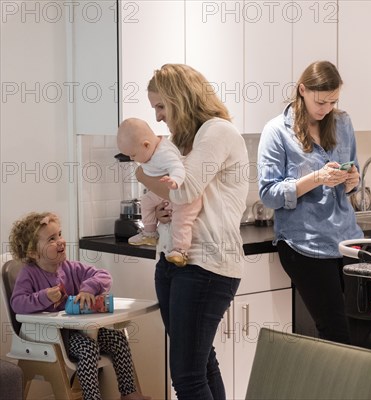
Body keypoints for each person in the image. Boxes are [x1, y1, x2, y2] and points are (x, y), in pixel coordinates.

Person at [135, 64, 249, 400]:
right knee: (200, 367)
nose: (157, 117)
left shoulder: (218, 132)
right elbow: (178, 195)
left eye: (160, 106)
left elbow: (183, 192)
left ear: (180, 99)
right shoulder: (185, 139)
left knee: (186, 377)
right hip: (177, 262)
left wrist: (144, 179)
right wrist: (165, 205)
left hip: (208, 265)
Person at [257, 60, 365, 345]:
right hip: (304, 244)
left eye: (333, 101)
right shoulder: (276, 131)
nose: (327, 108)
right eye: (321, 101)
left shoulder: (343, 123)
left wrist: (352, 180)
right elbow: (268, 193)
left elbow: (354, 179)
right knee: (336, 332)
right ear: (302, 90)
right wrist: (315, 178)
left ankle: (360, 385)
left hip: (347, 240)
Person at [9, 212, 149, 400]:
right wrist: (44, 297)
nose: (60, 241)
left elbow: (104, 276)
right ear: (33, 252)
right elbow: (17, 303)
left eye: (59, 234)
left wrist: (88, 289)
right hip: (51, 337)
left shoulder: (70, 267)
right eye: (52, 239)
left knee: (118, 340)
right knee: (88, 349)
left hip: (79, 332)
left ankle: (129, 393)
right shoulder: (29, 274)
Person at [117, 117, 203, 267]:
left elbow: (177, 167)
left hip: (180, 192)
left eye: (133, 155)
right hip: (166, 192)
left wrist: (175, 180)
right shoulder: (151, 151)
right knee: (146, 200)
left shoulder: (164, 153)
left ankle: (181, 250)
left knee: (181, 219)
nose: (132, 158)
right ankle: (150, 233)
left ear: (146, 145)